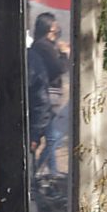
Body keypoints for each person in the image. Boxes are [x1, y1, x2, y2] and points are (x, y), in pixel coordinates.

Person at [28, 10, 70, 175]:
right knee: (53, 136)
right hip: (48, 95)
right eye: (53, 25)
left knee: (52, 135)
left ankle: (49, 169)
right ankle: (44, 169)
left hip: (49, 95)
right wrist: (64, 54)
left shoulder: (46, 45)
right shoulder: (43, 46)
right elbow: (59, 68)